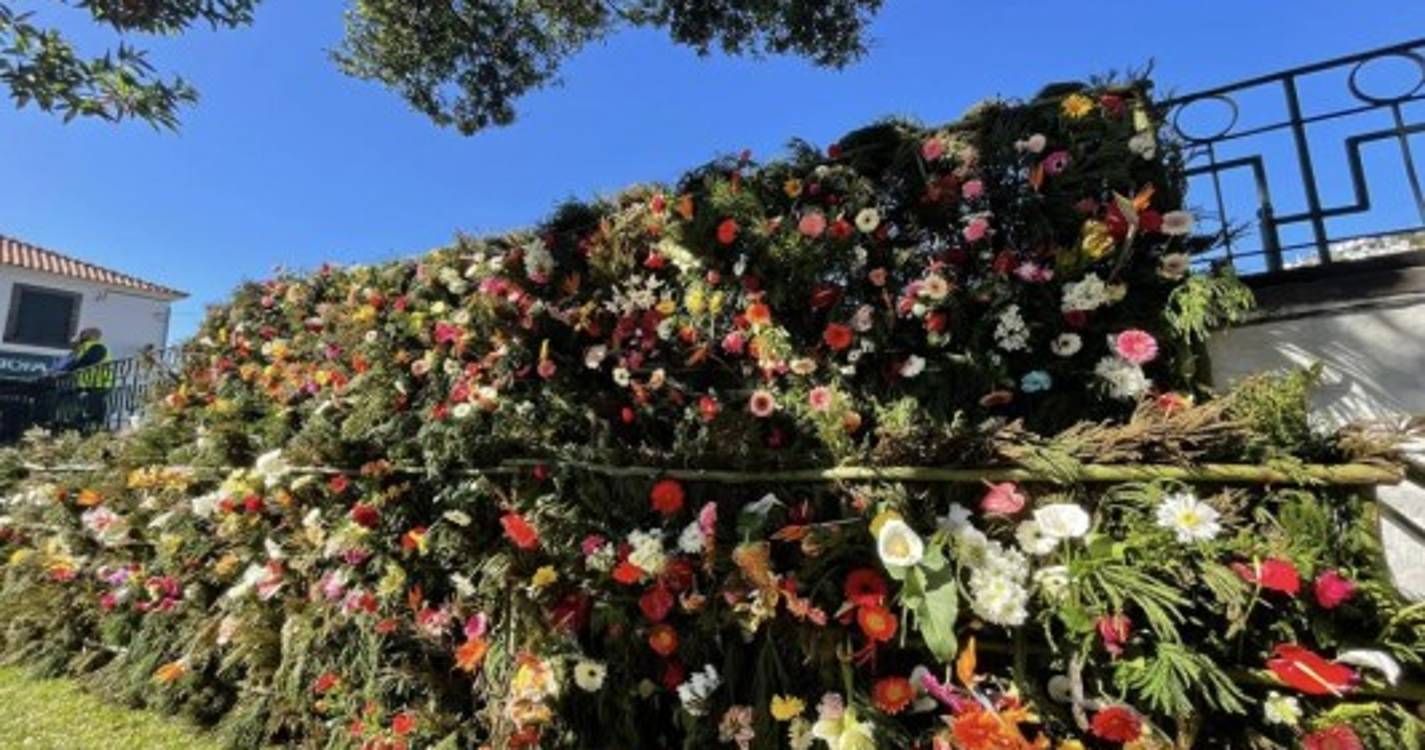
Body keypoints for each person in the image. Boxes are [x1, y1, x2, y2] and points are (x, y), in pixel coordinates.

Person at [56, 327, 113, 431]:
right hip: (89, 383)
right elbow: (76, 362)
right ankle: (82, 424)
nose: (80, 335)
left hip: (99, 383)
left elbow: (86, 361)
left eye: (83, 334)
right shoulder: (84, 348)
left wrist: (68, 369)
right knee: (86, 405)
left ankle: (93, 425)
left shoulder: (97, 347)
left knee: (94, 405)